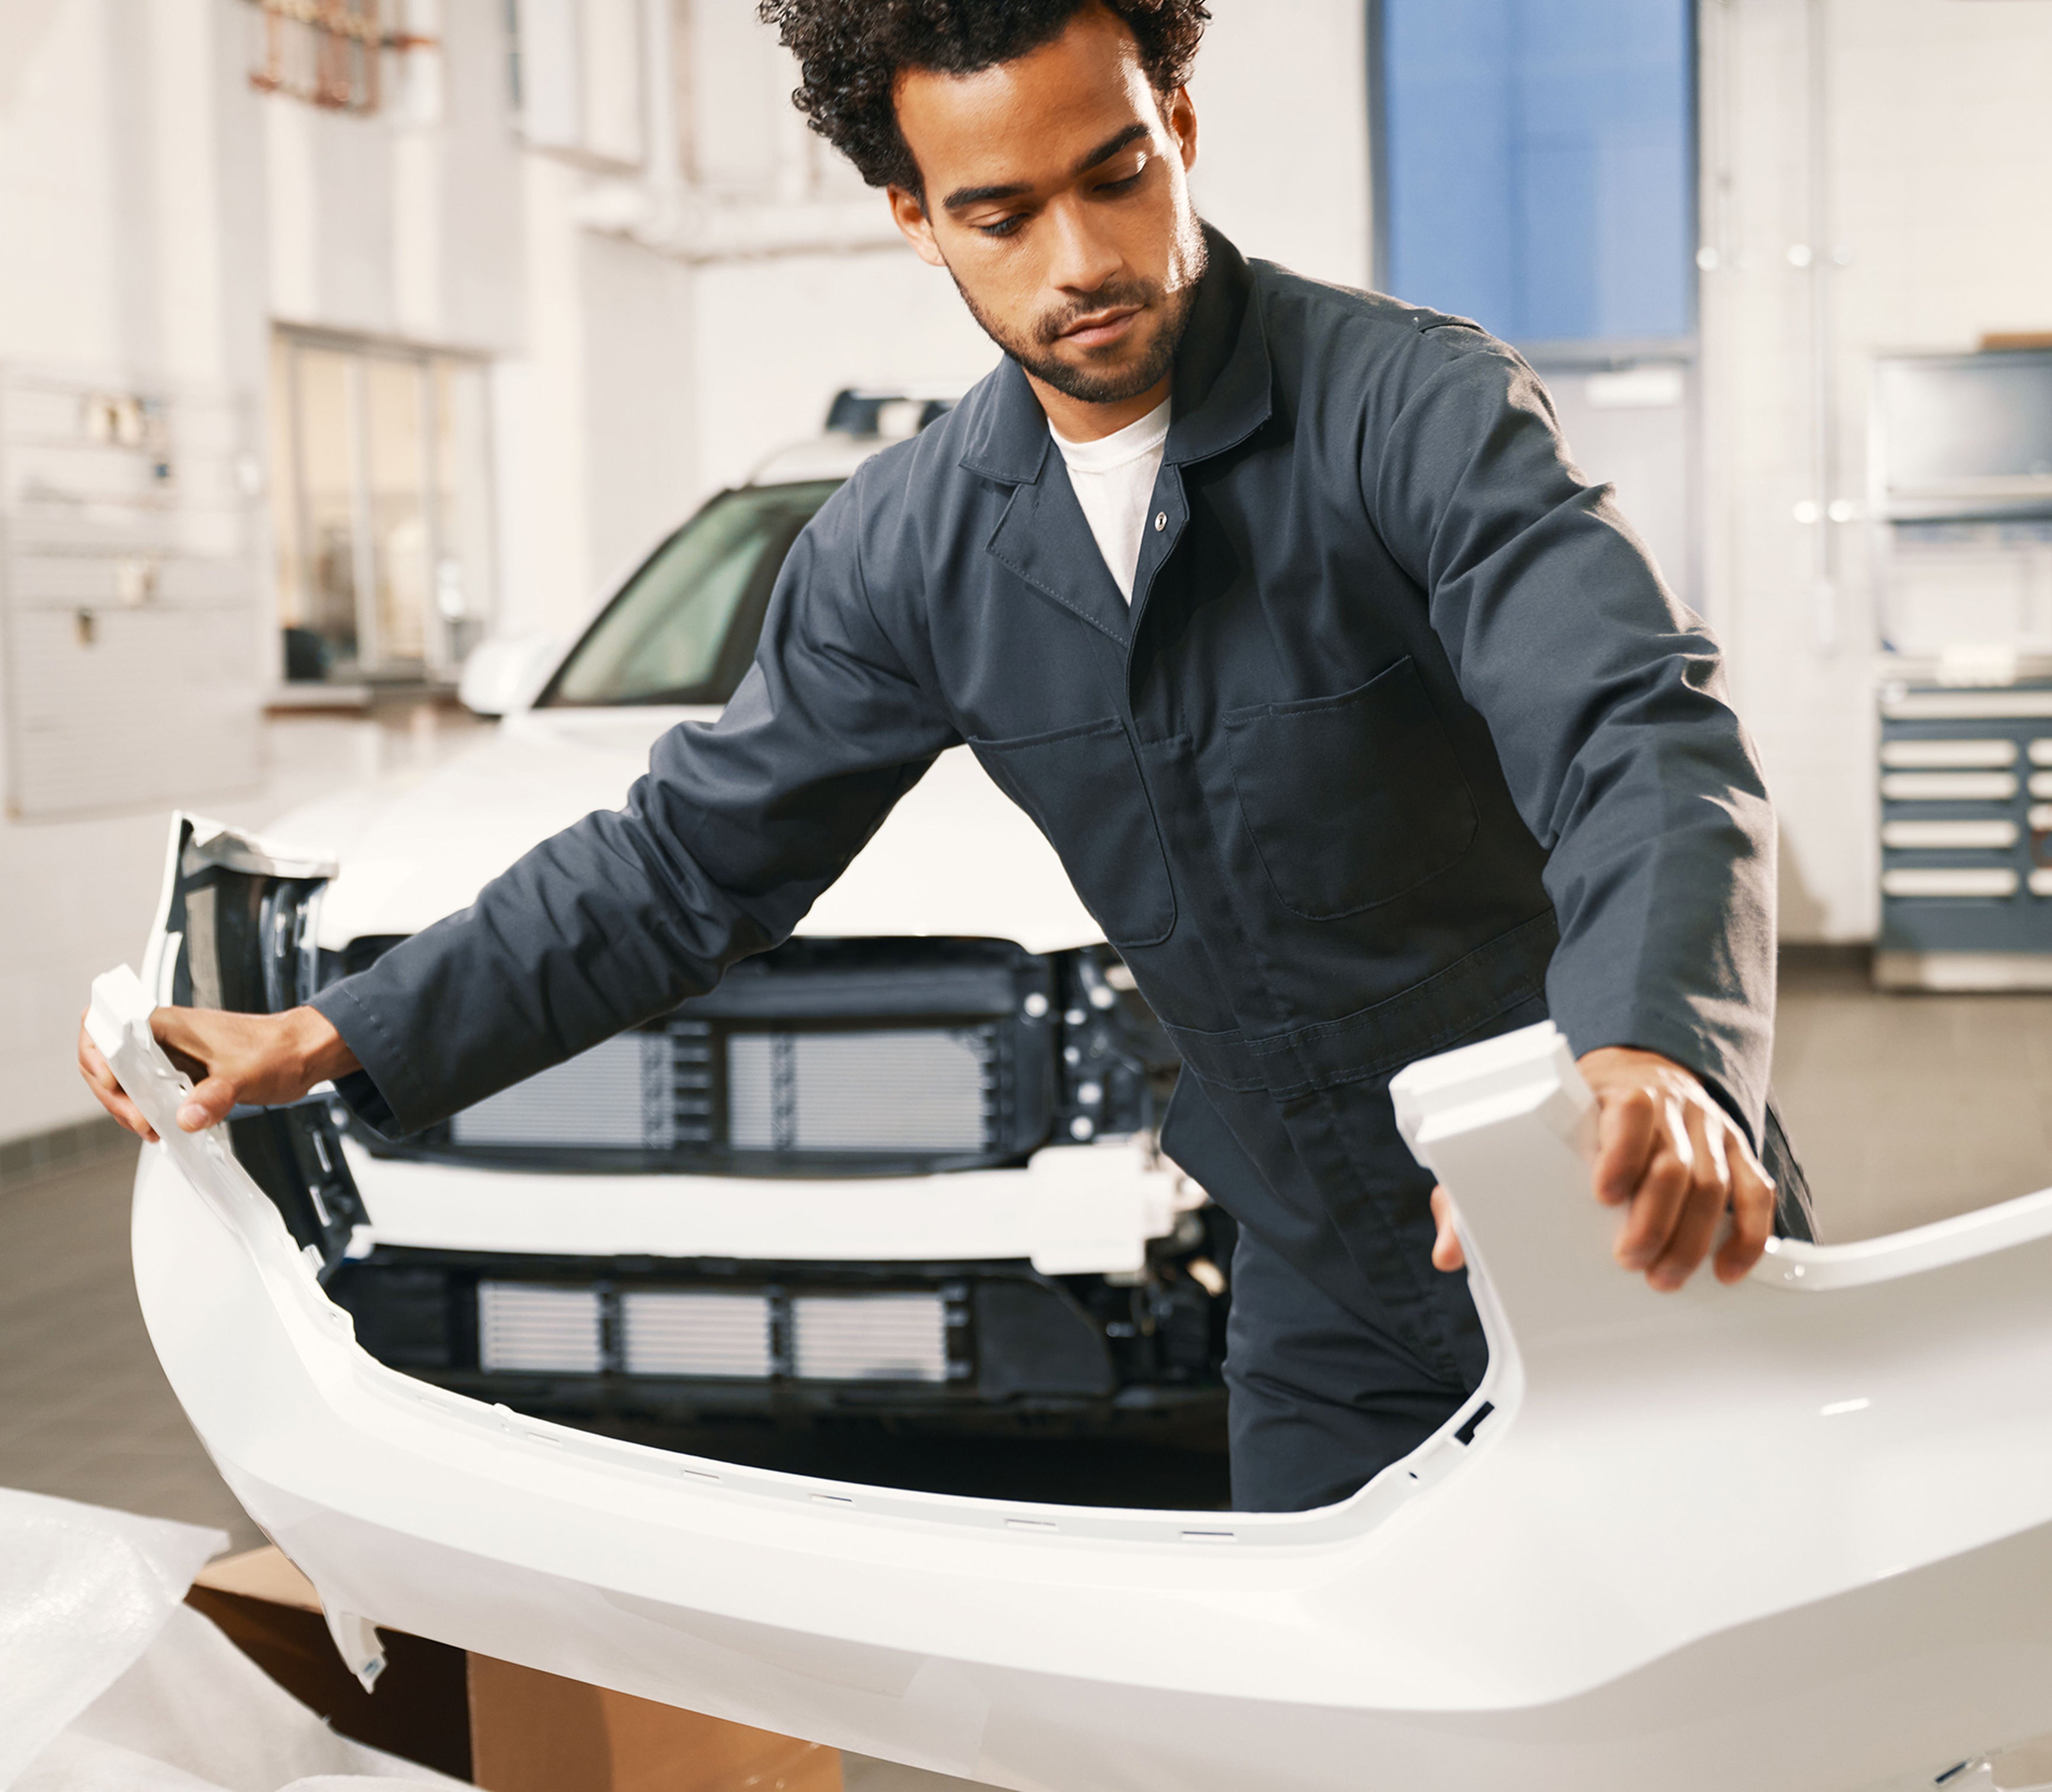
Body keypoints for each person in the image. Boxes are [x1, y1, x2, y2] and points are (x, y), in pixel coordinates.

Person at [80, 0, 1808, 1514]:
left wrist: (1651, 1050)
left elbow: (1636, 727)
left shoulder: (1410, 409)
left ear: (1179, 126)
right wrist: (334, 1032)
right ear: (913, 220)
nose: (1083, 261)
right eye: (1003, 211)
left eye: (1117, 174)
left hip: (1611, 1200)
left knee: (1760, 1700)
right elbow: (685, 864)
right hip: (1320, 1278)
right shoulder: (907, 550)